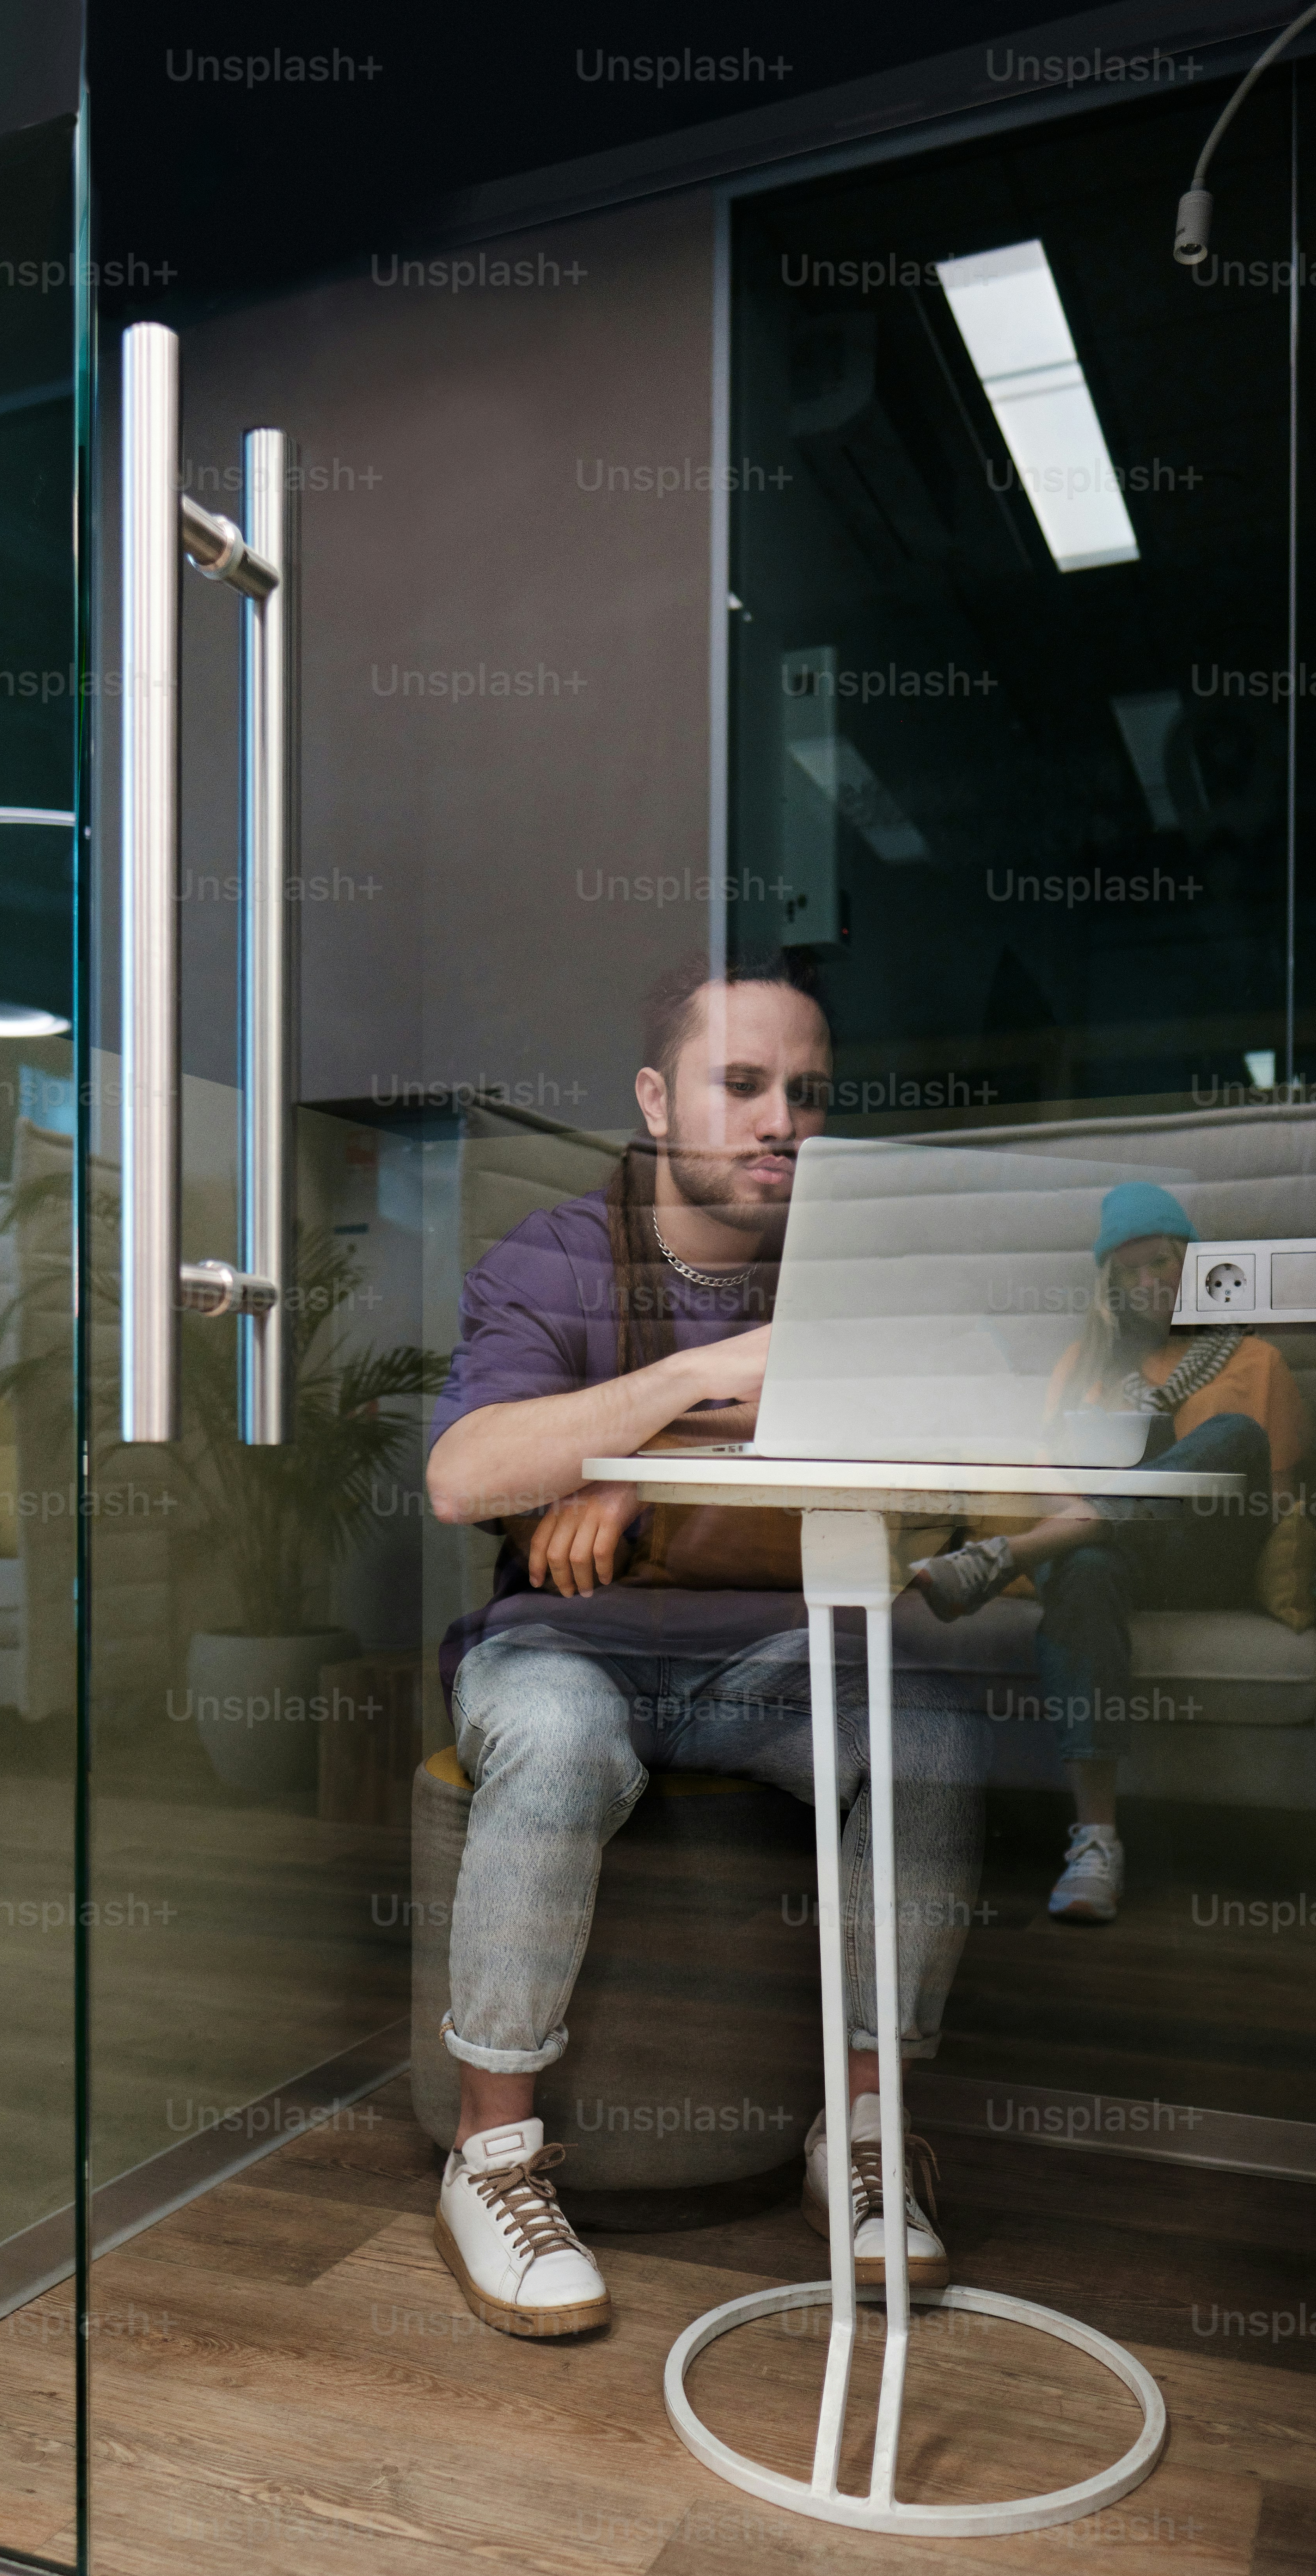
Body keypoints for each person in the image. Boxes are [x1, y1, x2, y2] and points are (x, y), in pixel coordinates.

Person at [423, 955, 985, 2339]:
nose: (778, 1120)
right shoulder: (552, 1254)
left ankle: (859, 2137)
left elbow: (941, 1483)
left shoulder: (851, 1273)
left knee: (923, 1735)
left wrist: (627, 1466)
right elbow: (464, 1477)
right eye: (740, 1086)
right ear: (654, 1099)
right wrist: (683, 1386)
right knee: (552, 1739)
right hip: (562, 1647)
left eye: (805, 1092)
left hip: (771, 1660)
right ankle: (487, 2151)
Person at [910, 1180, 1306, 1927]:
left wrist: (1164, 1490)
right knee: (1087, 1563)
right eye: (1130, 1271)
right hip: (1109, 1564)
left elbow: (1271, 1503)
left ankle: (1002, 1560)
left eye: (1162, 1262)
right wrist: (1105, 1515)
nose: (1149, 1282)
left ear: (1191, 1265)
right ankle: (1096, 1845)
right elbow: (1054, 1489)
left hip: (1204, 1557)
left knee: (1234, 1439)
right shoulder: (1082, 1371)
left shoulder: (1256, 1363)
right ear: (1112, 1286)